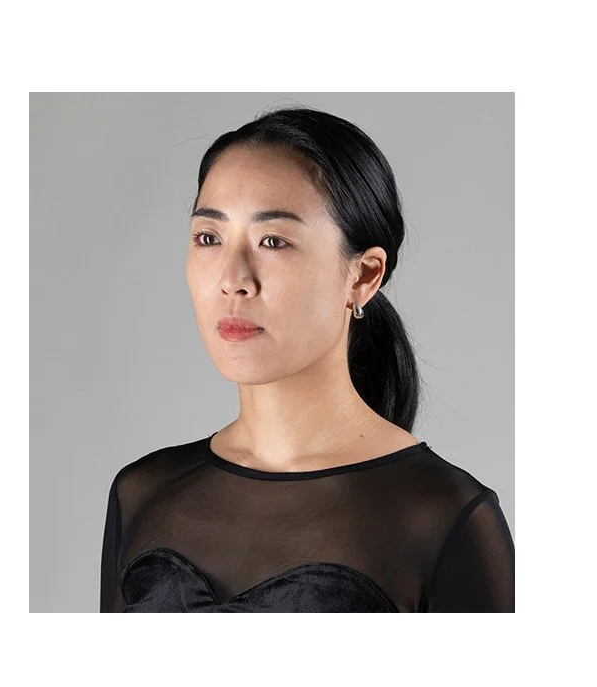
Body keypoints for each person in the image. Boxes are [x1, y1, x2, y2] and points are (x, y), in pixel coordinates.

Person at [99, 106, 515, 612]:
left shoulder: (444, 517)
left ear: (363, 276)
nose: (232, 279)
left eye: (273, 241)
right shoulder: (142, 494)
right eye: (209, 238)